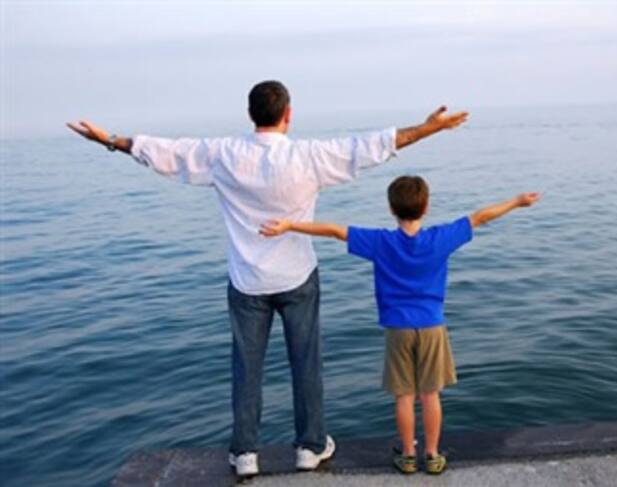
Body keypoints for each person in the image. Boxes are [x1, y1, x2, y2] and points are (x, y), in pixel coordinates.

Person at [66, 81, 469, 478]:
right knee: (305, 364)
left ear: (250, 114)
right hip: (297, 277)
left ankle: (245, 453)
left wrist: (110, 140)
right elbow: (372, 146)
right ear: (288, 114)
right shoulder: (307, 157)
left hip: (247, 282)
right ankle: (310, 447)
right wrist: (430, 128)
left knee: (247, 369)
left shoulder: (223, 155)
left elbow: (166, 152)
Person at [260, 175, 540, 475]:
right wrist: (516, 202)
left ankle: (407, 455)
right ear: (426, 206)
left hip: (397, 329)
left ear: (391, 208)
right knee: (430, 395)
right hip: (432, 326)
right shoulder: (439, 239)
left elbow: (335, 231)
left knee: (404, 396)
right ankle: (432, 455)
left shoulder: (381, 242)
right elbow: (480, 217)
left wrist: (289, 226)